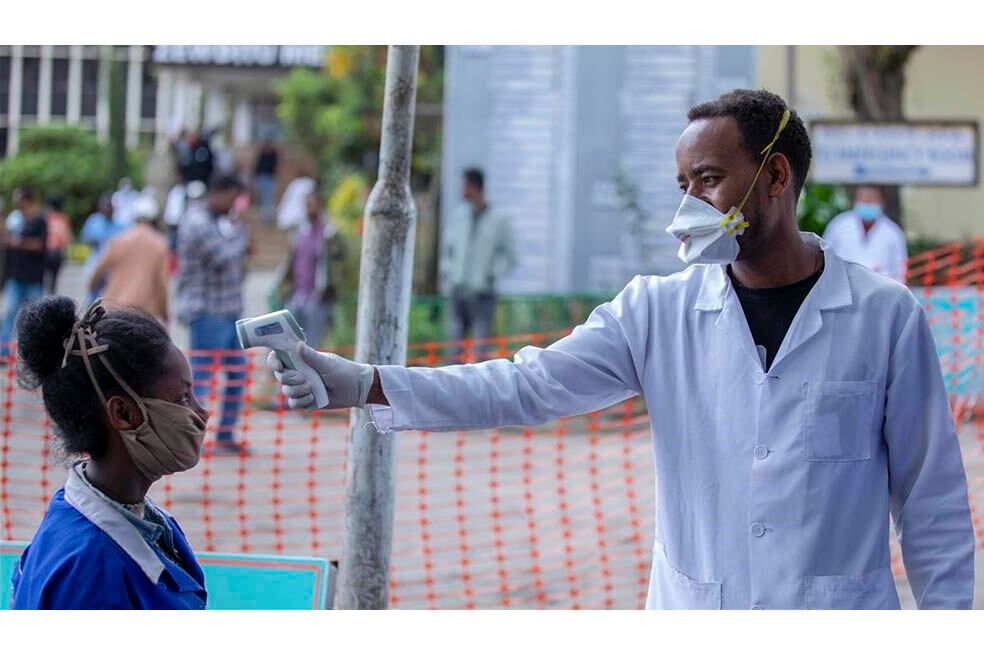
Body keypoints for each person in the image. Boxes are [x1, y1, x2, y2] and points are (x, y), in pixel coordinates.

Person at [267, 89, 974, 610]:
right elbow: (523, 386)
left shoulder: (884, 317)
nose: (690, 204)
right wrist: (362, 382)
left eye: (709, 179)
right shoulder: (655, 312)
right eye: (683, 184)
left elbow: (931, 501)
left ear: (777, 177)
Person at [9, 296, 209, 609]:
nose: (202, 413)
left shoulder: (145, 520)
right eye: (182, 398)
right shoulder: (95, 573)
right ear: (124, 414)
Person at [176, 174, 250, 456]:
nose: (234, 206)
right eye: (232, 199)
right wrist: (241, 232)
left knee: (238, 374)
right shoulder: (197, 223)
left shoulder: (217, 223)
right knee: (202, 379)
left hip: (229, 312)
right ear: (219, 193)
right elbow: (225, 257)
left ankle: (226, 434)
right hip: (207, 311)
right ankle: (192, 438)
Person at [440, 168, 517, 359]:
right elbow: (448, 250)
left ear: (474, 187)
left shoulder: (498, 220)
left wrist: (491, 274)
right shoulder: (459, 216)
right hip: (459, 292)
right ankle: (452, 388)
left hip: (483, 295)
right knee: (454, 349)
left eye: (464, 184)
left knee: (480, 351)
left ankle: (478, 389)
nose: (461, 189)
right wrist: (449, 273)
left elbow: (510, 257)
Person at [273, 190, 346, 349]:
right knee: (290, 339)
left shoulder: (328, 232)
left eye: (313, 206)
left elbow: (337, 261)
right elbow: (290, 262)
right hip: (297, 294)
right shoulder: (299, 231)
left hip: (317, 296)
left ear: (320, 207)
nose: (309, 210)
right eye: (307, 206)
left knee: (312, 344)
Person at [89, 194, 170, 325]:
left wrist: (92, 292)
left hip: (113, 308)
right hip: (143, 314)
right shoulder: (159, 244)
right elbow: (161, 284)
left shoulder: (119, 240)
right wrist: (165, 313)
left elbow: (97, 272)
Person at [823, 185, 908, 284]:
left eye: (872, 199)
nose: (867, 202)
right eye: (863, 198)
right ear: (855, 200)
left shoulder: (893, 232)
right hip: (842, 286)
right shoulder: (839, 225)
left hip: (881, 290)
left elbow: (900, 271)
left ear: (882, 202)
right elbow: (825, 258)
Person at [1, 187, 48, 356]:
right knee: (9, 314)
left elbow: (38, 245)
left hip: (33, 278)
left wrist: (16, 242)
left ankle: (32, 353)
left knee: (33, 317)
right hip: (15, 276)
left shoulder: (39, 221)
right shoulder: (16, 220)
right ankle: (3, 352)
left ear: (26, 200)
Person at [80, 193, 125, 304]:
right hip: (95, 261)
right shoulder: (93, 221)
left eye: (109, 206)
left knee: (109, 295)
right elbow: (85, 238)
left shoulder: (119, 225)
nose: (106, 209)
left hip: (111, 265)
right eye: (104, 206)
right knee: (92, 292)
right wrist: (94, 241)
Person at [43, 195, 72, 295]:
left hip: (47, 251)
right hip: (58, 252)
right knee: (53, 281)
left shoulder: (46, 218)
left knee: (44, 279)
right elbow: (67, 238)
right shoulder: (63, 219)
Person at [253, 140, 279, 225]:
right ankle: (263, 219)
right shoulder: (261, 155)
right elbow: (257, 168)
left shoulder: (272, 155)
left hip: (269, 179)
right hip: (261, 179)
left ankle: (267, 219)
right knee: (262, 200)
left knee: (268, 200)